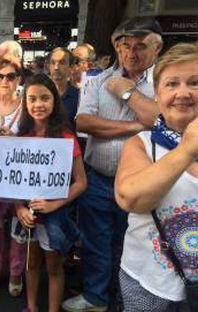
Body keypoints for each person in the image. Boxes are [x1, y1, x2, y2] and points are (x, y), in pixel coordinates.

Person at [62, 17, 163, 312]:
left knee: (133, 247)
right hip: (99, 179)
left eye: (140, 46)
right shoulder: (97, 80)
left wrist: (126, 92)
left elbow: (161, 121)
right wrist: (136, 126)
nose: (131, 53)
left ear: (156, 49)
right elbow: (84, 122)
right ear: (117, 48)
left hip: (142, 184)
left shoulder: (163, 83)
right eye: (125, 46)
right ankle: (96, 297)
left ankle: (122, 301)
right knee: (96, 244)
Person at [115, 42, 198, 311]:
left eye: (194, 83)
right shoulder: (141, 143)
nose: (183, 93)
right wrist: (187, 149)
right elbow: (131, 198)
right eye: (172, 84)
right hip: (148, 282)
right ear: (157, 93)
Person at [16, 74, 87, 312]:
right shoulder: (20, 138)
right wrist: (19, 208)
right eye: (32, 98)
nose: (38, 104)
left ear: (55, 101)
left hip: (55, 215)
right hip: (27, 214)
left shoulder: (67, 137)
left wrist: (55, 205)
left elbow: (81, 182)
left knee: (54, 266)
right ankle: (31, 307)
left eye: (45, 98)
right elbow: (10, 182)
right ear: (25, 102)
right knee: (31, 262)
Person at [0, 56, 25, 296]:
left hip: (20, 180)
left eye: (10, 76)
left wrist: (15, 141)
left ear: (18, 80)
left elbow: (38, 140)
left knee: (17, 228)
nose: (4, 80)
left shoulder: (26, 107)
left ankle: (15, 271)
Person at [47, 47, 79, 130]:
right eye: (53, 63)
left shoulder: (79, 97)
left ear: (71, 68)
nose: (56, 67)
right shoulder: (39, 94)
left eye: (62, 63)